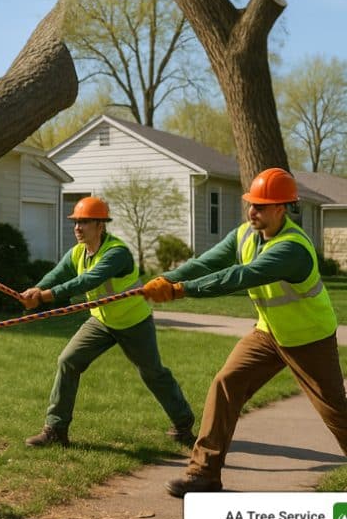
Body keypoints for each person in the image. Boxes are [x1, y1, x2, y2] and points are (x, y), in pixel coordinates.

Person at [144, 168, 346, 497]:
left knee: (336, 411)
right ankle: (204, 473)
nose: (252, 211)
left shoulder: (291, 248)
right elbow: (206, 263)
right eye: (251, 204)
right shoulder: (243, 236)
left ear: (281, 208)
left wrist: (180, 291)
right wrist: (168, 278)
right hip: (269, 334)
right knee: (227, 384)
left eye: (260, 206)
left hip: (309, 338)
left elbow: (238, 277)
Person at [19, 197, 195, 447]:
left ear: (100, 225)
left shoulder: (117, 253)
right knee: (68, 361)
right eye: (76, 222)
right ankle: (56, 430)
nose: (78, 228)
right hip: (101, 321)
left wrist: (46, 297)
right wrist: (36, 289)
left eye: (84, 222)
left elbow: (88, 281)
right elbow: (59, 273)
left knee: (152, 373)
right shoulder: (79, 252)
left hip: (134, 321)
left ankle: (183, 424)